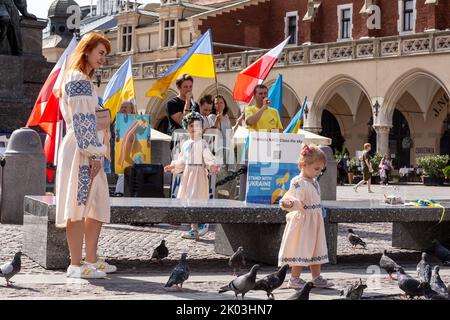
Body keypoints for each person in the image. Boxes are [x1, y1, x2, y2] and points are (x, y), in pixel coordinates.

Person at [55, 31, 116, 279]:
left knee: (97, 206)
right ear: (87, 51)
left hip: (90, 151)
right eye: (101, 53)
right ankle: (76, 265)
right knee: (78, 205)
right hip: (82, 151)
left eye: (105, 54)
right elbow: (82, 124)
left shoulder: (83, 80)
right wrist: (95, 153)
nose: (103, 58)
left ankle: (90, 259)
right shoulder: (78, 79)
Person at [278, 144, 334, 289]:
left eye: (321, 169)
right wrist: (290, 203)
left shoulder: (313, 182)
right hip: (304, 223)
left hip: (315, 221)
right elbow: (292, 197)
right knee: (301, 247)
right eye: (316, 169)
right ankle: (294, 278)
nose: (318, 172)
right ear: (303, 165)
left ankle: (316, 277)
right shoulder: (298, 182)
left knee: (316, 248)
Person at [164, 112, 219, 239]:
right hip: (188, 174)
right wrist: (174, 166)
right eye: (191, 125)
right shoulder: (186, 144)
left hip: (198, 174)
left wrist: (212, 166)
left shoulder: (203, 143)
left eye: (197, 125)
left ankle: (197, 226)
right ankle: (196, 226)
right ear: (186, 127)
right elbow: (182, 160)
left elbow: (207, 157)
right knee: (189, 199)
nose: (194, 128)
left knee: (196, 199)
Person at [114, 100, 137, 196]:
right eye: (122, 107)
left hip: (135, 148)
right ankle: (119, 191)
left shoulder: (137, 120)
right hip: (122, 149)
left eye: (125, 107)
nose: (123, 109)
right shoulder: (117, 122)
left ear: (131, 110)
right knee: (122, 171)